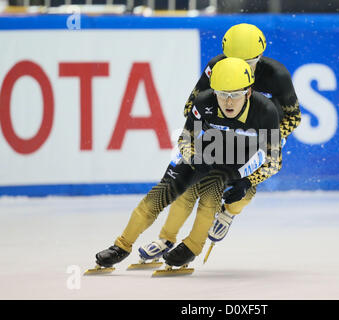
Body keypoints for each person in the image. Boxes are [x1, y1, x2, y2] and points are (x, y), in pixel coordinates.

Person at [94, 57, 282, 269]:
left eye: (236, 95)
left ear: (248, 93)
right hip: (206, 151)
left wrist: (247, 181)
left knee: (212, 195)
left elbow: (273, 161)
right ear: (213, 92)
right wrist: (193, 158)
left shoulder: (266, 111)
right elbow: (185, 138)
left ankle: (194, 245)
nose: (229, 102)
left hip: (239, 161)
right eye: (222, 95)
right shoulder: (203, 101)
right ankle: (121, 245)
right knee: (165, 193)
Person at [138, 23, 301, 263]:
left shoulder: (278, 75)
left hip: (261, 132)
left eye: (248, 65)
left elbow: (294, 118)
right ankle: (167, 238)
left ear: (261, 57)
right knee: (191, 181)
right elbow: (190, 107)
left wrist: (268, 135)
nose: (237, 71)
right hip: (222, 130)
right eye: (231, 62)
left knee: (245, 179)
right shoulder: (216, 67)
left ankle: (228, 213)